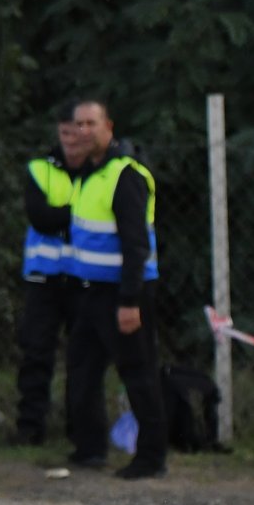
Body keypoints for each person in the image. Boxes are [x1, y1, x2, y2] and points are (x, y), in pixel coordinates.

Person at [63, 98, 166, 480]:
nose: (84, 131)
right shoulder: (89, 174)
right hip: (91, 293)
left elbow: (136, 244)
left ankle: (151, 457)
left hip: (122, 294)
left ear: (109, 127)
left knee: (137, 372)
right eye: (79, 124)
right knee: (82, 370)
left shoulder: (125, 175)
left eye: (92, 123)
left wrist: (129, 300)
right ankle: (90, 449)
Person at [11, 106, 83, 446]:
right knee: (36, 352)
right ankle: (30, 427)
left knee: (83, 358)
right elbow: (41, 217)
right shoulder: (41, 170)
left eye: (78, 131)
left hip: (85, 279)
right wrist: (82, 214)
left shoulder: (102, 173)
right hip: (44, 278)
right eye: (66, 131)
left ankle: (79, 429)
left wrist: (64, 215)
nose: (71, 139)